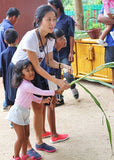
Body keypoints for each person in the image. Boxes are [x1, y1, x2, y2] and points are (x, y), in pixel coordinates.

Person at [6, 4, 71, 159]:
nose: (52, 23)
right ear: (38, 20)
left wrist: (63, 66)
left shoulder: (49, 38)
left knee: (39, 106)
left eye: (54, 19)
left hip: (33, 72)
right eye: (48, 19)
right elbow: (37, 65)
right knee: (24, 107)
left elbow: (49, 61)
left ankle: (39, 142)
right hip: (19, 72)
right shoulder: (30, 37)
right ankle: (27, 147)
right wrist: (57, 82)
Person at [6, 59, 63, 160]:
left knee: (26, 135)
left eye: (32, 69)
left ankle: (24, 155)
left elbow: (31, 97)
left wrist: (42, 101)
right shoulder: (26, 85)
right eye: (27, 70)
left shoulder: (28, 84)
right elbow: (39, 91)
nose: (31, 72)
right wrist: (55, 92)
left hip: (24, 112)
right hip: (18, 113)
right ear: (21, 74)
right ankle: (16, 156)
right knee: (21, 137)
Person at [48, 0, 79, 107]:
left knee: (67, 74)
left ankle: (73, 86)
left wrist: (71, 52)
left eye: (51, 7)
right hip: (53, 54)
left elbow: (71, 36)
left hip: (65, 53)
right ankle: (58, 98)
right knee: (54, 76)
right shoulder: (50, 20)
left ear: (57, 8)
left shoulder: (67, 20)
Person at [41, 28, 68, 139]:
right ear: (54, 41)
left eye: (64, 37)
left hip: (42, 82)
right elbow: (51, 75)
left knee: (43, 106)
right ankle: (54, 135)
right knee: (50, 107)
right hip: (46, 83)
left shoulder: (51, 51)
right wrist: (54, 93)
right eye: (61, 39)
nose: (65, 40)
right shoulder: (52, 53)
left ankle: (42, 131)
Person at [0, 7, 20, 109]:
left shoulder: (1, 26)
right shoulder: (9, 28)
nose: (16, 21)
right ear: (13, 17)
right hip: (13, 67)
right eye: (17, 19)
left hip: (4, 62)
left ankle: (7, 103)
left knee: (7, 85)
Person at [1, 28, 18, 112]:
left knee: (10, 101)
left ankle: (12, 121)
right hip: (19, 80)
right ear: (17, 39)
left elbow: (2, 69)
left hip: (8, 81)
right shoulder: (19, 52)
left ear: (5, 41)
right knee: (20, 101)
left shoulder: (3, 54)